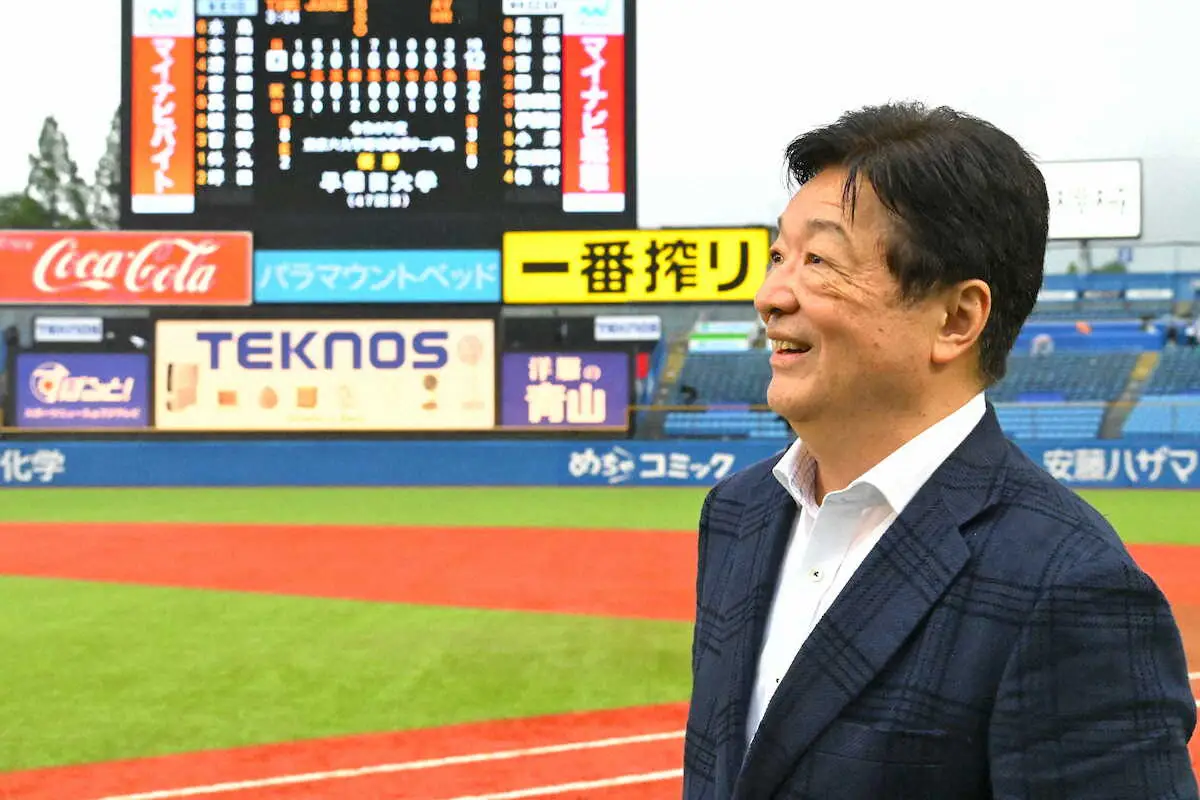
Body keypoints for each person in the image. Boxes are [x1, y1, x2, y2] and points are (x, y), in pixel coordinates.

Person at [682, 102, 1197, 799]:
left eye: (819, 260)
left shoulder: (1068, 585)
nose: (771, 294)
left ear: (955, 319)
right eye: (779, 255)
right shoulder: (739, 515)